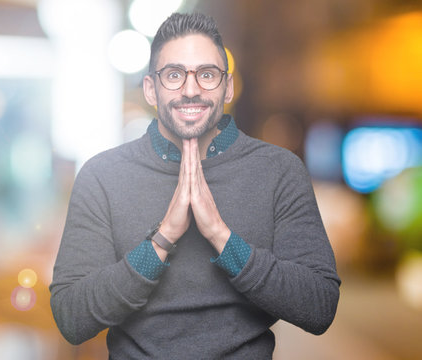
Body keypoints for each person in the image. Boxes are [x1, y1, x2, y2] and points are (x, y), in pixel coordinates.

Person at [49, 12, 340, 359]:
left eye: (207, 74)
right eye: (174, 75)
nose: (191, 90)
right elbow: (70, 318)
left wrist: (221, 236)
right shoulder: (102, 176)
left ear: (227, 86)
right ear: (151, 89)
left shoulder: (279, 171)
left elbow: (320, 307)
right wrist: (162, 240)